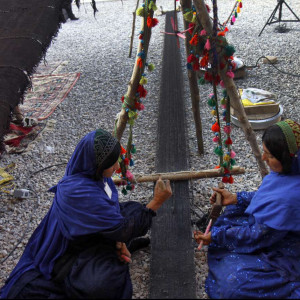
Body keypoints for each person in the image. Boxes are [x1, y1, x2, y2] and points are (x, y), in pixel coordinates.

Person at [0, 128, 172, 299]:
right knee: (102, 284)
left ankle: (118, 246)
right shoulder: (78, 193)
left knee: (133, 208)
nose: (117, 167)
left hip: (91, 229)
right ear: (98, 165)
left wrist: (119, 241)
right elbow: (122, 227)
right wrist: (156, 201)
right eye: (112, 164)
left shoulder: (93, 175)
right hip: (71, 248)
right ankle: (106, 256)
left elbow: (112, 213)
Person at [194, 119, 300, 299]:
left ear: (288, 158)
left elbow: (259, 236)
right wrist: (235, 198)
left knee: (233, 284)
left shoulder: (289, 199)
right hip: (275, 229)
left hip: (285, 250)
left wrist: (217, 236)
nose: (264, 158)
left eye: (270, 156)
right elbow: (268, 197)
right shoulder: (290, 173)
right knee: (232, 214)